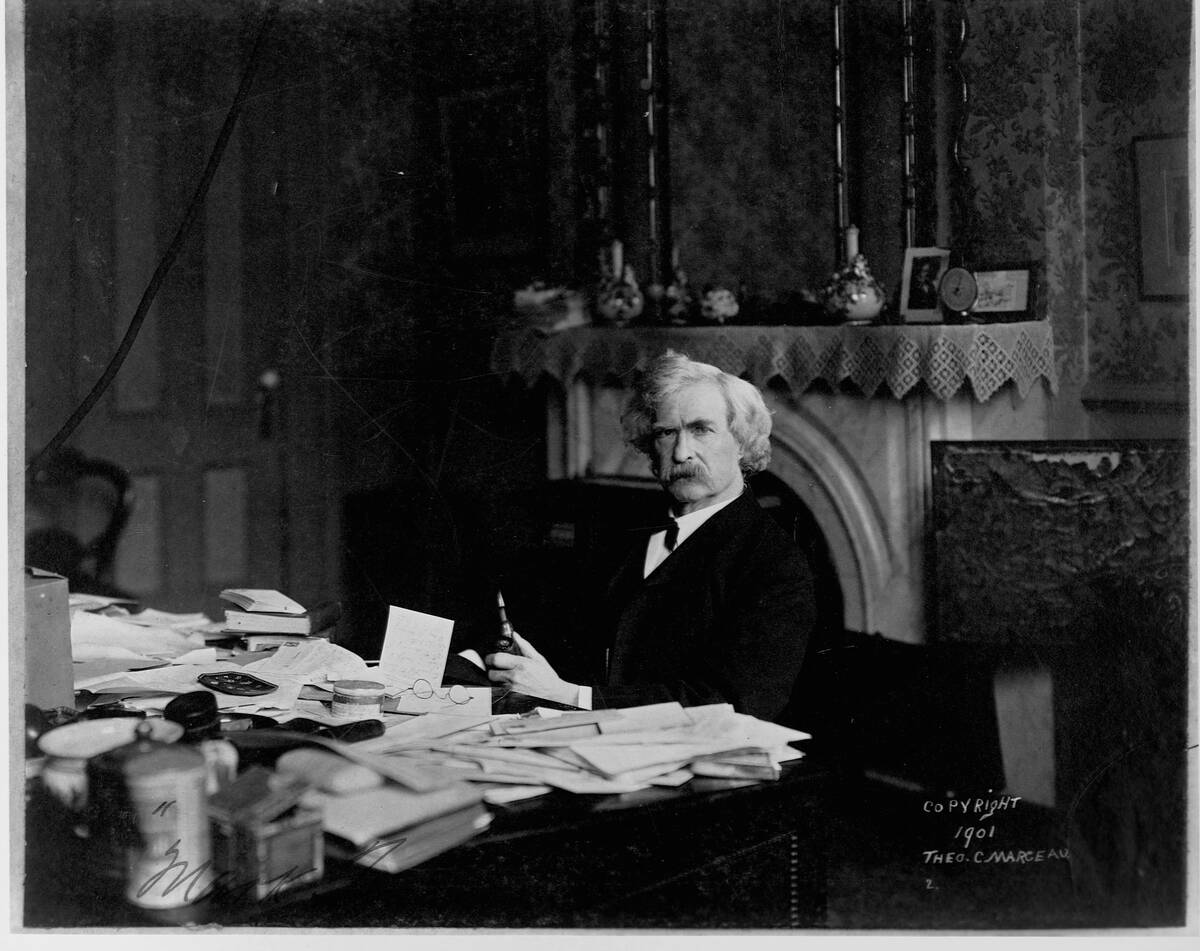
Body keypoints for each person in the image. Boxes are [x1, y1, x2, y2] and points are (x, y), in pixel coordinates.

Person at [485, 350, 816, 722]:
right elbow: (571, 638)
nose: (681, 452)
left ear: (741, 442)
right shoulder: (627, 529)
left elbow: (732, 704)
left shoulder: (774, 563)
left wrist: (568, 694)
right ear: (649, 448)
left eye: (701, 430)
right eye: (666, 433)